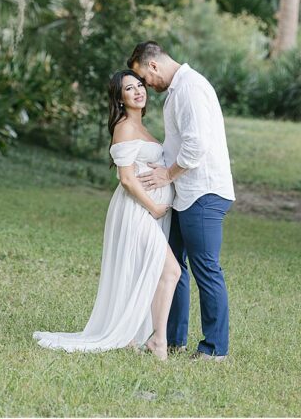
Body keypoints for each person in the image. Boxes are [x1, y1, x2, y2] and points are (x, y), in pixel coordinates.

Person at [33, 70, 181, 360]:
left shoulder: (143, 127)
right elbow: (126, 179)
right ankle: (158, 342)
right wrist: (153, 208)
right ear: (120, 98)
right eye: (129, 89)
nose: (138, 91)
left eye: (140, 85)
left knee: (148, 269)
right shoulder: (124, 127)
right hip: (136, 211)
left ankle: (136, 335)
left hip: (149, 211)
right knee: (170, 270)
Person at [129, 42, 236, 361]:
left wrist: (167, 175)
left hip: (203, 192)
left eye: (144, 78)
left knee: (206, 269)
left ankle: (215, 349)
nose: (146, 86)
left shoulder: (190, 89)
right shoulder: (178, 90)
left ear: (152, 66)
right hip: (185, 194)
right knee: (172, 267)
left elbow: (196, 145)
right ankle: (171, 338)